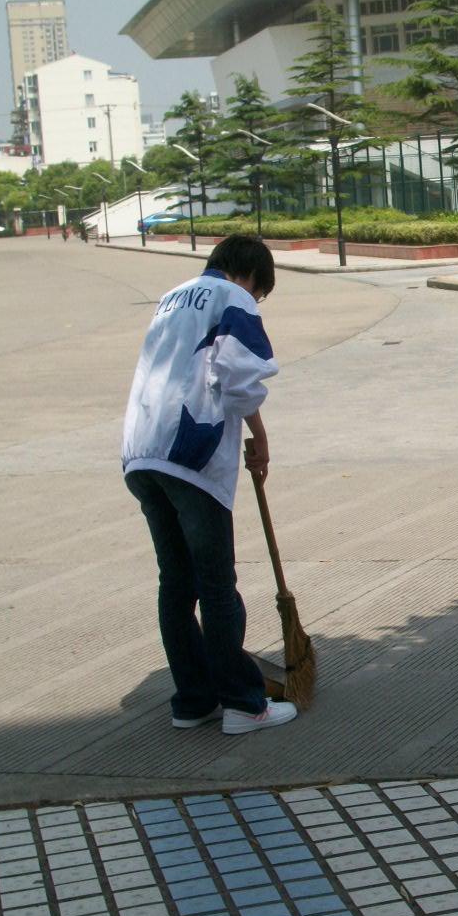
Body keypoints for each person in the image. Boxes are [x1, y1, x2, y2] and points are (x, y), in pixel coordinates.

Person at [122, 235, 297, 736]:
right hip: (189, 454)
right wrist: (260, 436)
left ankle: (193, 700)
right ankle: (243, 703)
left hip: (143, 451)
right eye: (260, 291)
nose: (256, 299)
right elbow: (239, 376)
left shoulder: (170, 297)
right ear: (248, 275)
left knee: (176, 585)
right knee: (217, 585)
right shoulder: (233, 298)